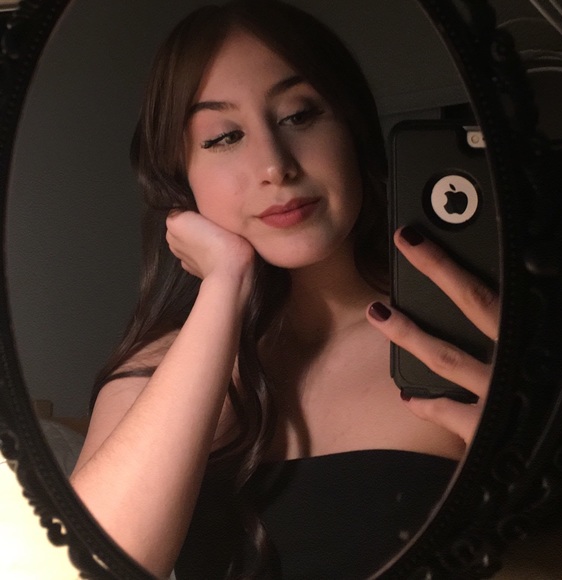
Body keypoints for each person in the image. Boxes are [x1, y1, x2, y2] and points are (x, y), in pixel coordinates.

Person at [70, 1, 499, 578]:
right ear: (180, 176)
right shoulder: (157, 372)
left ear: (352, 129)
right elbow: (94, 567)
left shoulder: (470, 343)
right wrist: (224, 282)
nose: (274, 165)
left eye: (299, 115)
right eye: (224, 137)